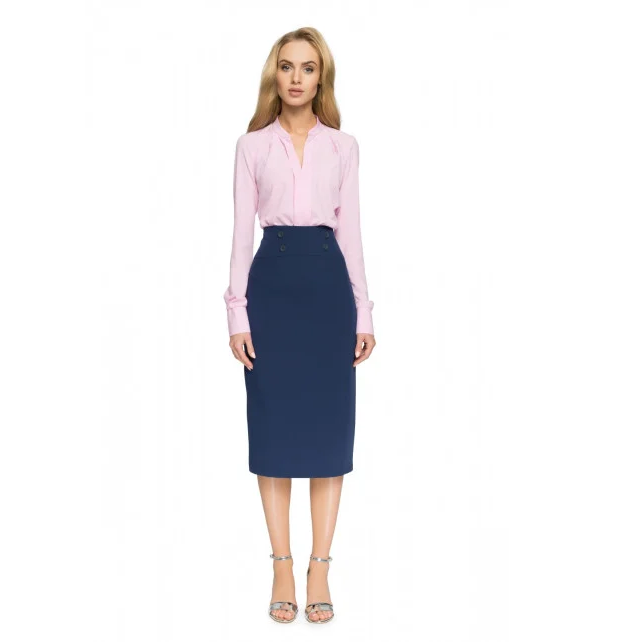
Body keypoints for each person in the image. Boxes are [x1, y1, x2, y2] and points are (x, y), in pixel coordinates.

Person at [222, 27, 377, 624]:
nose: (296, 78)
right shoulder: (251, 146)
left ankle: (320, 567)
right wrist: (236, 311)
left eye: (307, 68)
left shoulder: (344, 147)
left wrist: (364, 310)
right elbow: (241, 233)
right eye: (286, 66)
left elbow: (352, 232)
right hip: (273, 288)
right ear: (275, 74)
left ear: (321, 78)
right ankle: (281, 565)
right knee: (274, 431)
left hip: (327, 289)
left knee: (330, 434)